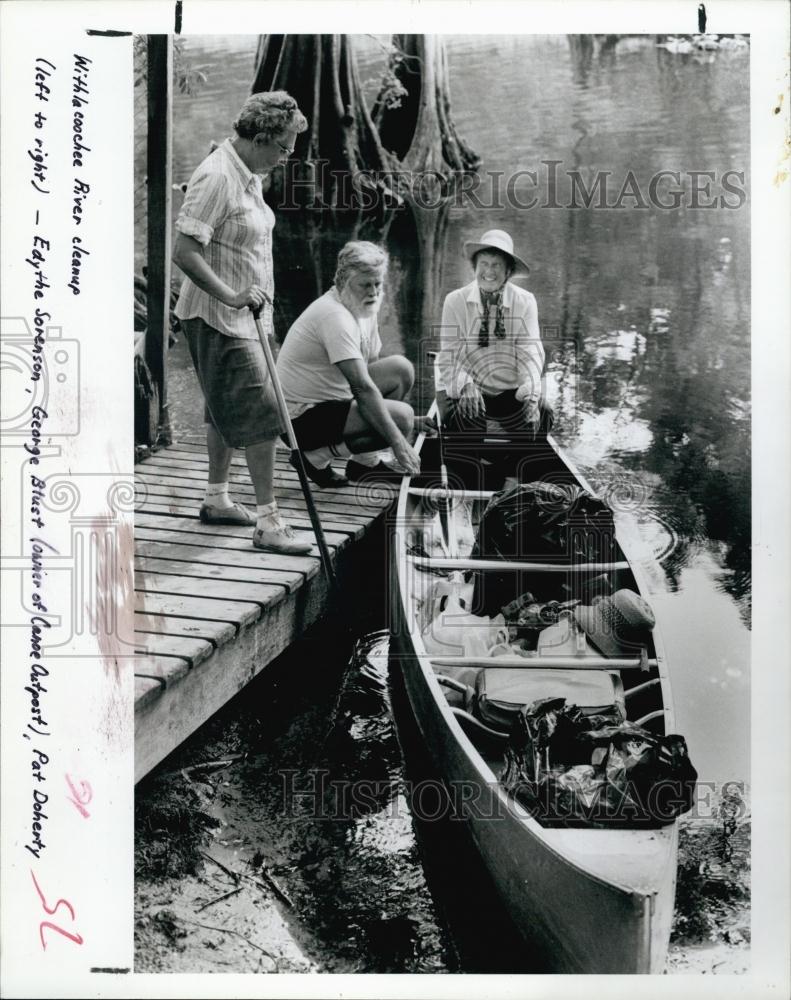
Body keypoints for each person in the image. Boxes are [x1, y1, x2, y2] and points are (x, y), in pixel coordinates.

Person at [173, 92, 312, 554]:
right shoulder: (218, 176)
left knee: (221, 407)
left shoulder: (245, 171)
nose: (287, 157)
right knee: (264, 415)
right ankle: (269, 523)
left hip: (244, 316)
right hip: (221, 315)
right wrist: (232, 295)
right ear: (259, 137)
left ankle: (216, 499)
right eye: (285, 147)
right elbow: (185, 252)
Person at [276, 241, 431, 487]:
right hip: (298, 420)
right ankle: (313, 458)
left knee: (401, 370)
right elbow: (362, 388)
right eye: (365, 285)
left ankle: (364, 464)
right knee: (402, 419)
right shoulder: (335, 316)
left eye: (378, 284)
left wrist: (401, 421)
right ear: (342, 283)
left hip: (332, 401)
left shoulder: (363, 306)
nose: (373, 292)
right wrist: (399, 442)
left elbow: (371, 370)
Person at [437, 228, 552, 452]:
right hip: (470, 388)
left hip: (508, 391)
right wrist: (465, 385)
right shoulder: (454, 301)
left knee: (544, 411)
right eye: (484, 264)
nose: (489, 271)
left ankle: (512, 473)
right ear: (475, 267)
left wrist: (530, 394)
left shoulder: (525, 301)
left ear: (508, 271)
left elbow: (531, 352)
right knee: (467, 418)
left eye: (496, 265)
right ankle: (472, 471)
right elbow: (447, 358)